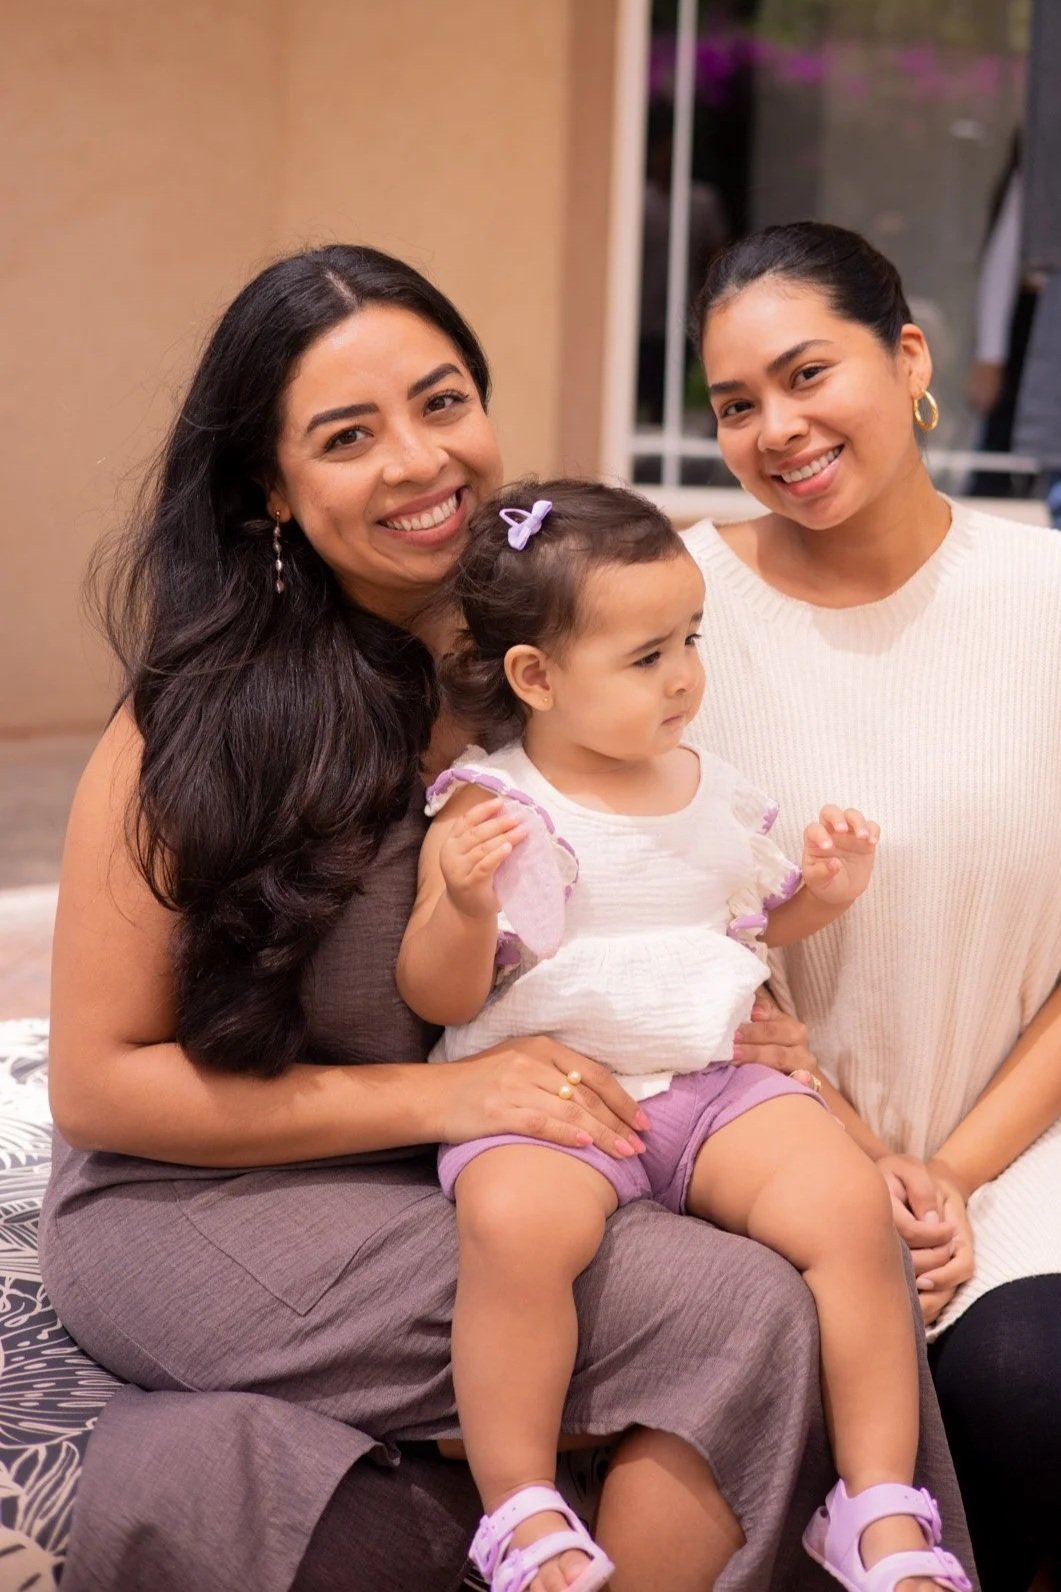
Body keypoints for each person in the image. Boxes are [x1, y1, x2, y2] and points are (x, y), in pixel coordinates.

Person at [37, 242, 971, 1592]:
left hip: (466, 1164)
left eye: (442, 400)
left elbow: (670, 923)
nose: (420, 461)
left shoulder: (540, 679)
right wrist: (452, 1105)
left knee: (811, 1249)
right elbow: (100, 1088)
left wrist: (818, 1106)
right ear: (269, 489)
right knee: (731, 1306)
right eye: (349, 435)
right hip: (204, 1197)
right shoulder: (194, 720)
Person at [396, 478, 972, 1592]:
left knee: (849, 1211)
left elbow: (743, 921)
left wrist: (823, 891)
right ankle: (519, 1505)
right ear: (536, 676)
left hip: (712, 1086)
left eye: (690, 639)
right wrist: (461, 906)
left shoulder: (707, 787)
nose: (683, 676)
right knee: (513, 1228)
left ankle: (876, 1505)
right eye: (645, 654)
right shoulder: (493, 806)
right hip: (555, 1105)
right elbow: (437, 991)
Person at [686, 220, 1061, 1592]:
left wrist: (954, 1174)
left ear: (909, 359)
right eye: (734, 406)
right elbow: (665, 928)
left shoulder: (1047, 599)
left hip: (1021, 1148)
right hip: (763, 1151)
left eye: (805, 375)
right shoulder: (677, 610)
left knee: (1028, 1385)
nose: (775, 430)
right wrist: (856, 1158)